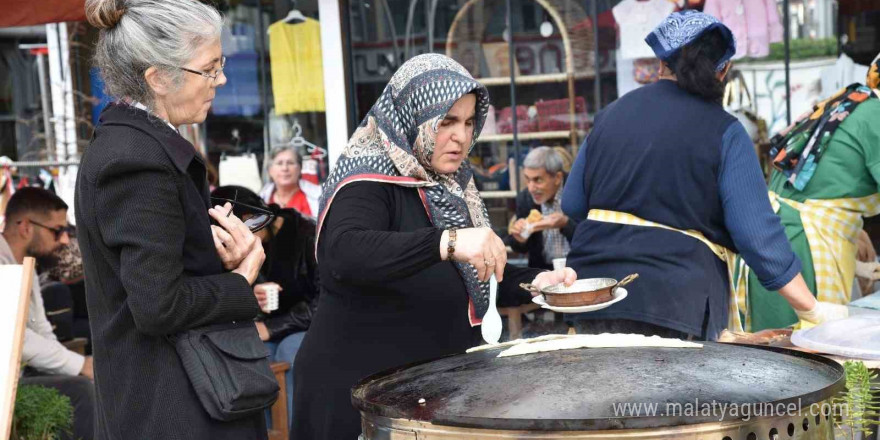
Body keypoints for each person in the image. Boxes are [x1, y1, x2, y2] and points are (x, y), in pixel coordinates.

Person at [291, 54, 576, 440]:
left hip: (428, 398)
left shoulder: (454, 187)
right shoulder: (368, 179)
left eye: (469, 121)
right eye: (447, 122)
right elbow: (342, 254)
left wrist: (540, 282)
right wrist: (448, 240)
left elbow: (476, 277)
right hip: (356, 400)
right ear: (413, 116)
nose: (461, 136)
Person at [560, 11, 844, 341]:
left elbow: (573, 202)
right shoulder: (726, 131)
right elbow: (756, 237)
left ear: (661, 64)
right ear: (723, 71)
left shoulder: (610, 114)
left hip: (594, 294)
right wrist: (810, 309)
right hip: (676, 303)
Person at [77, 1, 268, 439]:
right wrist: (240, 280)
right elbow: (158, 305)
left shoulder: (136, 146)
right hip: (175, 407)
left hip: (177, 399)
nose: (220, 79)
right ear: (158, 77)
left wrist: (216, 258)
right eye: (210, 68)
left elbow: (155, 280)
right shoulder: (137, 160)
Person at [743, 53, 880, 330]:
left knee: (772, 359)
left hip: (772, 240)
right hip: (802, 250)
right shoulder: (875, 115)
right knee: (803, 359)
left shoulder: (850, 101)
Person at [211, 185, 319, 428]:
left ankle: (293, 432)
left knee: (288, 352)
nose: (230, 242)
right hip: (275, 324)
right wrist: (252, 293)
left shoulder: (308, 234)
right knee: (252, 352)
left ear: (251, 220)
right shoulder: (257, 241)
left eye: (232, 232)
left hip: (313, 325)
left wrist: (272, 327)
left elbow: (324, 301)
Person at [1, 187, 94, 440]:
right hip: (5, 386)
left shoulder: (24, 265)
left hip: (16, 376)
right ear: (26, 227)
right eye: (57, 231)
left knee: (83, 384)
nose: (65, 240)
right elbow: (14, 337)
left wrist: (73, 367)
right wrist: (80, 366)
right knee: (81, 391)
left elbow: (40, 328)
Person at [507, 146, 578, 271]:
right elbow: (519, 248)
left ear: (557, 178)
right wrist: (520, 237)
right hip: (543, 272)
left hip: (578, 268)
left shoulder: (577, 191)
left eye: (538, 180)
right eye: (527, 180)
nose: (531, 188)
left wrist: (566, 224)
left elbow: (590, 238)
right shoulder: (525, 199)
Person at [259, 146, 321, 218]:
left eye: (290, 163)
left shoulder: (318, 197)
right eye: (279, 163)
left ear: (300, 168)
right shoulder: (262, 199)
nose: (285, 168)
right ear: (270, 170)